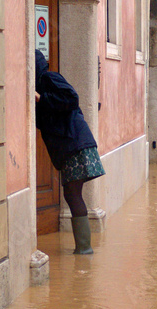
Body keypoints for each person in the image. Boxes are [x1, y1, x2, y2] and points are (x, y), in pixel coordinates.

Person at [35, 49, 105, 254]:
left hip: (75, 144)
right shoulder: (40, 84)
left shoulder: (49, 77)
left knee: (73, 194)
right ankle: (83, 249)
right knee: (72, 193)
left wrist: (41, 98)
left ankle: (84, 249)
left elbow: (72, 98)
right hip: (71, 145)